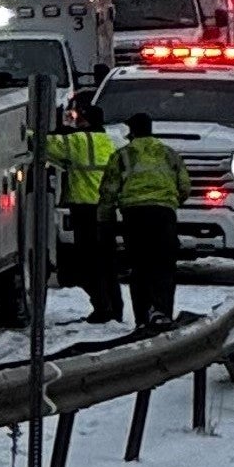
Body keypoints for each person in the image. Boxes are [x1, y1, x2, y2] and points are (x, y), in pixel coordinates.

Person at [99, 113, 189, 327]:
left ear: (132, 131)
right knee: (164, 265)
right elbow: (184, 186)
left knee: (140, 266)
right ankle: (163, 312)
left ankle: (142, 317)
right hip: (164, 214)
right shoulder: (168, 153)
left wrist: (106, 221)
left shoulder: (123, 155)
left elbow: (108, 191)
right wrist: (172, 202)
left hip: (135, 215)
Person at [42, 101, 121, 322]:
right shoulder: (110, 141)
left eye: (79, 119)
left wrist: (24, 129)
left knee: (88, 263)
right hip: (107, 211)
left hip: (85, 210)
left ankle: (102, 309)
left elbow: (44, 143)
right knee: (107, 263)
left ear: (85, 120)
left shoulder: (79, 141)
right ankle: (115, 308)